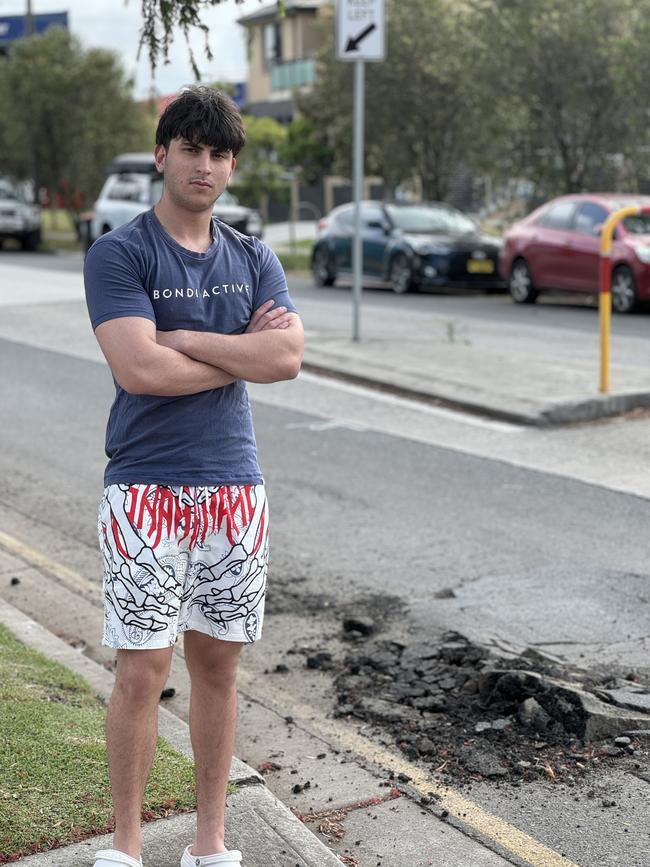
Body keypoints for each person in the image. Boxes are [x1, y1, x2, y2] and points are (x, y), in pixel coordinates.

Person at [83, 86, 304, 867]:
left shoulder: (255, 256)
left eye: (218, 154)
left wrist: (180, 335)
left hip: (235, 489)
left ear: (230, 164)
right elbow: (139, 369)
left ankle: (211, 843)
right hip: (144, 486)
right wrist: (229, 345)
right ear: (162, 154)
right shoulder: (120, 252)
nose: (204, 165)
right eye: (190, 149)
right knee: (143, 671)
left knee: (218, 666)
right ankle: (127, 846)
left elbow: (286, 357)